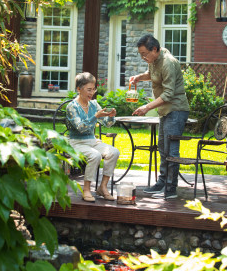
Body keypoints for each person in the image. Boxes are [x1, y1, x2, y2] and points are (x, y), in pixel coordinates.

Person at [129, 34, 189, 199]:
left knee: (171, 150)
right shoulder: (154, 60)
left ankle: (171, 189)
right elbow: (152, 74)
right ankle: (162, 183)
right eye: (141, 54)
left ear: (154, 49)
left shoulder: (168, 62)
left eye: (144, 54)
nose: (143, 57)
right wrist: (138, 78)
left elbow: (169, 94)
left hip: (176, 110)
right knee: (163, 148)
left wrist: (147, 107)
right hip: (166, 110)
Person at [66, 72, 120, 202]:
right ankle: (86, 189)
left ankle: (102, 187)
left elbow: (107, 124)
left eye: (93, 89)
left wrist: (111, 116)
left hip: (92, 141)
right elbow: (80, 127)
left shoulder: (94, 105)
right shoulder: (72, 107)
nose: (92, 92)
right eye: (89, 89)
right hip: (75, 142)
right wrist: (95, 116)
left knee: (114, 152)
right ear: (79, 89)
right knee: (95, 155)